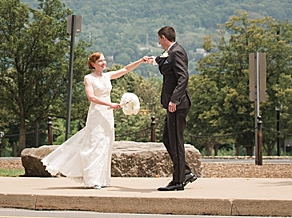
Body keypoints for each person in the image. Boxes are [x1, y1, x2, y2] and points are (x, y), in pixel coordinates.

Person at [43, 51, 151, 188]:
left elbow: (125, 69)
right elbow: (91, 97)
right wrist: (109, 104)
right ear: (93, 64)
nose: (103, 63)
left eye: (104, 60)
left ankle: (102, 179)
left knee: (105, 145)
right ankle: (92, 179)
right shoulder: (89, 78)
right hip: (97, 114)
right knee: (94, 146)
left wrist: (140, 61)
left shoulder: (107, 76)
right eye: (100, 61)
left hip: (107, 116)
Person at [151, 25, 193, 191]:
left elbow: (183, 77)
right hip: (172, 104)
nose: (159, 42)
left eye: (159, 39)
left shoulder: (177, 51)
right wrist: (153, 60)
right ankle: (186, 172)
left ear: (163, 37)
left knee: (176, 141)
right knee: (168, 139)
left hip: (178, 104)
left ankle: (178, 181)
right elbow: (166, 63)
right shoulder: (171, 51)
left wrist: (174, 100)